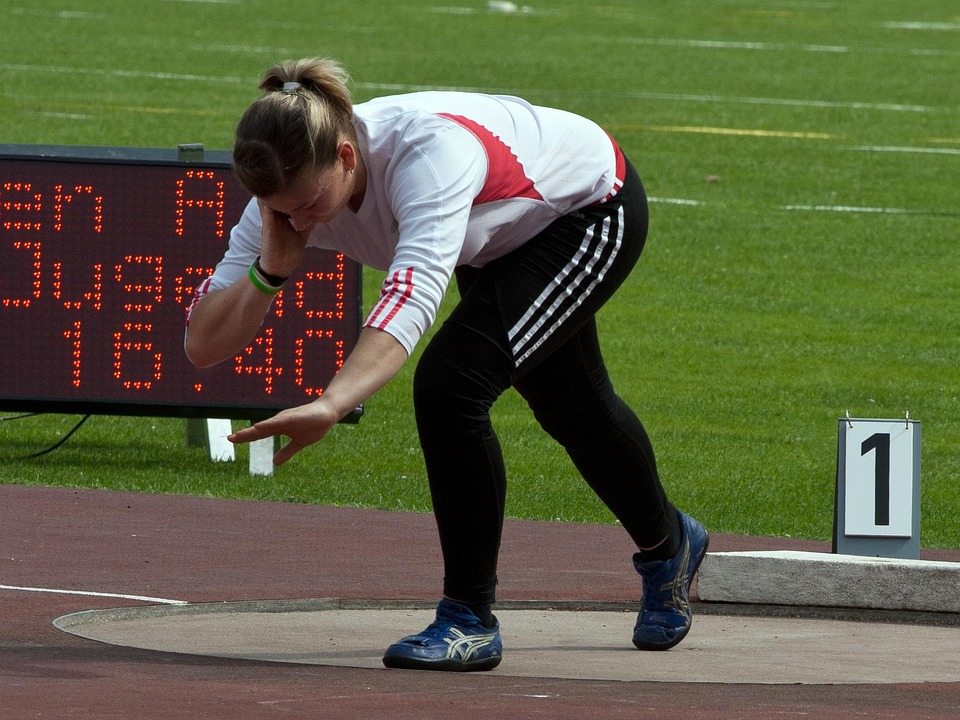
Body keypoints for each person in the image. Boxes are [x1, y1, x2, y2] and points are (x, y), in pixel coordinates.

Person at [185, 57, 709, 672]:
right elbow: (203, 344)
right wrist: (268, 273)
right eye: (280, 211)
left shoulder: (430, 157)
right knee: (575, 408)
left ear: (347, 157)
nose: (297, 223)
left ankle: (468, 619)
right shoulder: (279, 202)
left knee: (450, 387)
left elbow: (411, 298)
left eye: (309, 204)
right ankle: (670, 545)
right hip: (495, 236)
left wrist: (332, 404)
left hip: (586, 209)